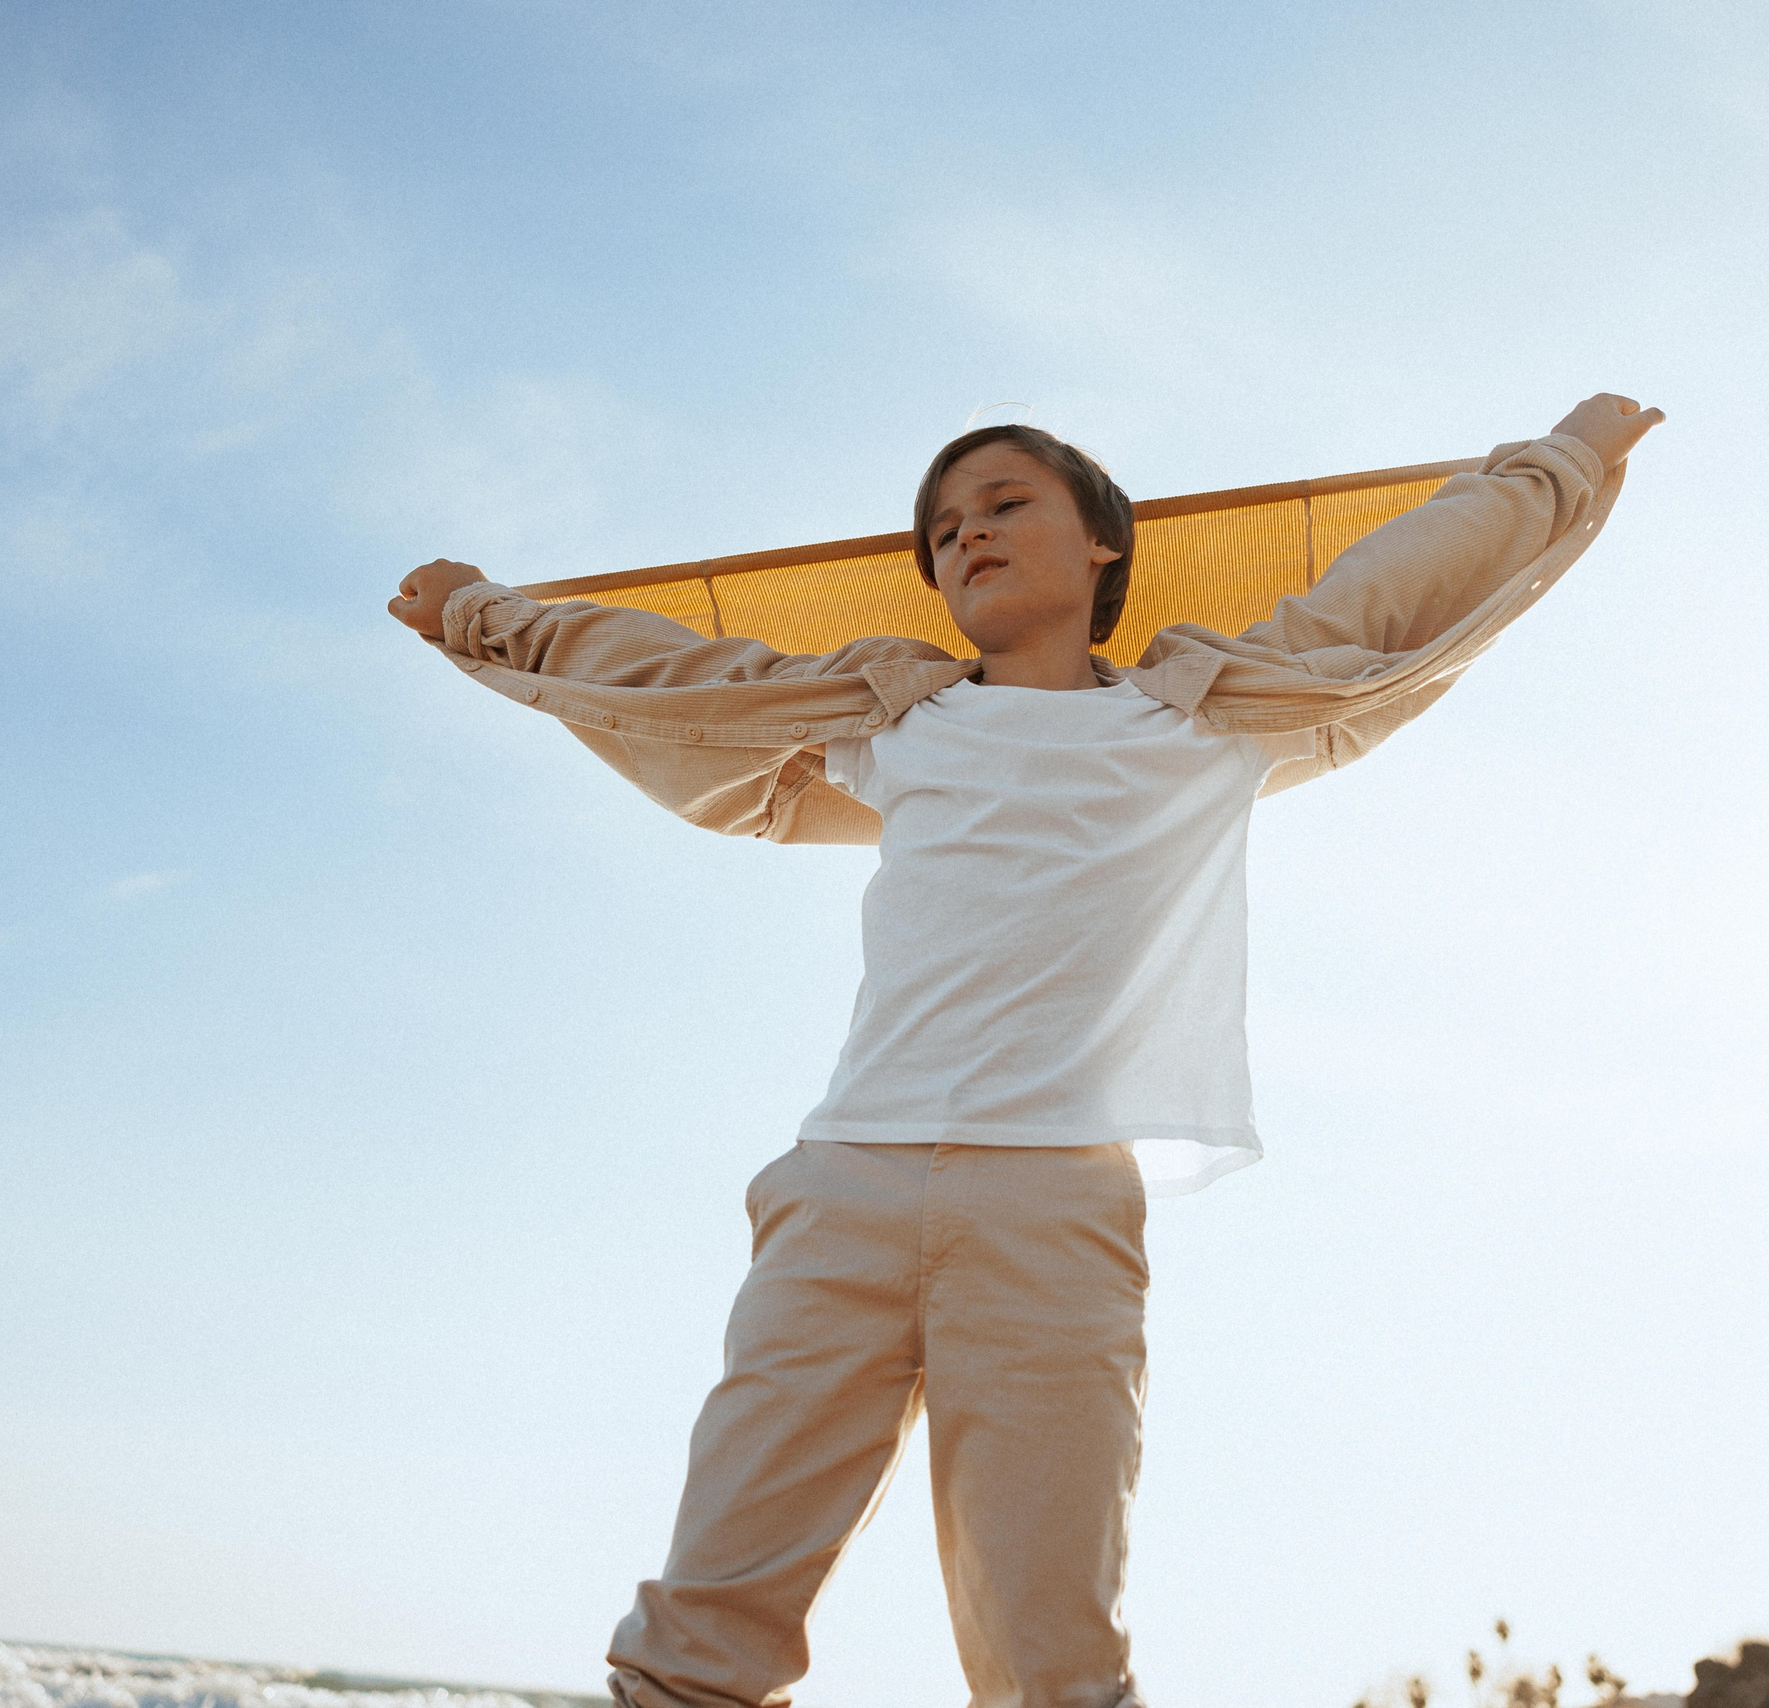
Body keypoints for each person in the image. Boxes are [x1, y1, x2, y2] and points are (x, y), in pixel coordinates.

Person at [387, 393, 1663, 1708]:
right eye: (944, 529)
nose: (969, 537)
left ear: (1100, 544)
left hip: (1054, 1212)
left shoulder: (1202, 723)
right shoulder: (889, 719)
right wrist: (483, 612)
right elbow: (665, 674)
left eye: (1006, 505)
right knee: (701, 1635)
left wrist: (1563, 460)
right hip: (844, 1192)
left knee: (1054, 1664)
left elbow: (1392, 589)